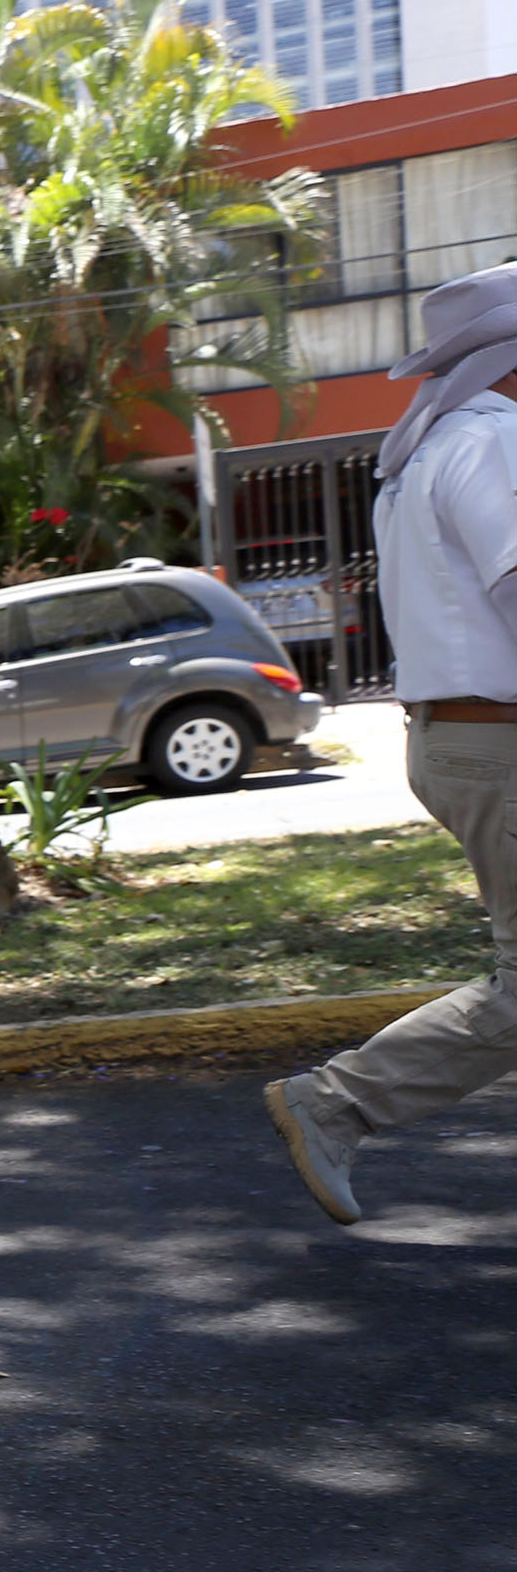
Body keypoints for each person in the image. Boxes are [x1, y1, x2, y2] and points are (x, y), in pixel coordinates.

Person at [268, 263, 517, 1223]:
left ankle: (337, 1103)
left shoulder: (427, 454)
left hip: (461, 741)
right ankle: (335, 1103)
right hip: (499, 747)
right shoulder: (492, 442)